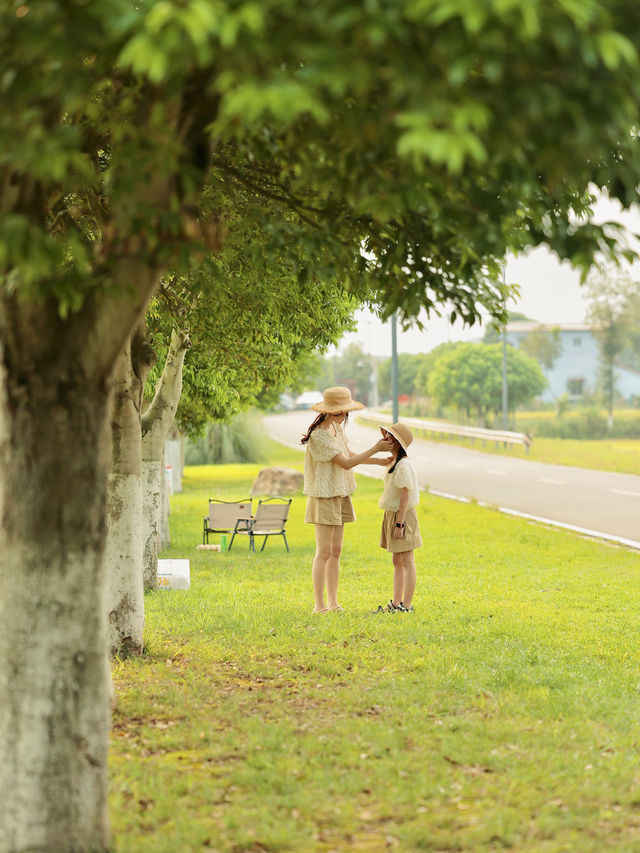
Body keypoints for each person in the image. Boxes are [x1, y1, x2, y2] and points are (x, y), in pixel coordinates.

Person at [302, 386, 392, 614]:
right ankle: (319, 605)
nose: (345, 417)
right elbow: (346, 463)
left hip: (340, 492)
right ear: (335, 412)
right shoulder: (319, 435)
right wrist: (375, 448)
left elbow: (349, 454)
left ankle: (333, 603)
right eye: (343, 412)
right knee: (323, 552)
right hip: (324, 496)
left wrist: (378, 460)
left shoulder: (335, 428)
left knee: (336, 550)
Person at [376, 422, 422, 613]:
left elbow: (405, 495)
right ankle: (396, 603)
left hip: (401, 515)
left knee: (407, 561)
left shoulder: (403, 465)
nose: (385, 438)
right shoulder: (394, 462)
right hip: (392, 513)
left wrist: (399, 523)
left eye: (389, 436)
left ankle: (407, 605)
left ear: (396, 441)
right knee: (397, 560)